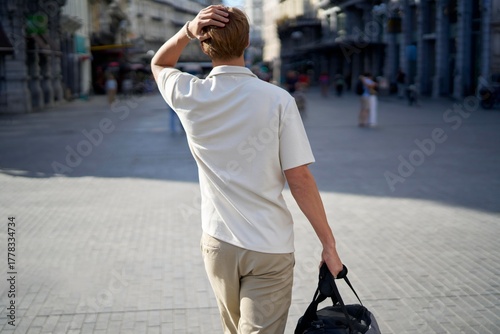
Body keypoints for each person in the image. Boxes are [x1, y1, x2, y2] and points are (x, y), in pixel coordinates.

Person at [151, 5, 343, 334]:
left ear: (203, 43)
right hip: (269, 244)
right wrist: (328, 245)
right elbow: (299, 179)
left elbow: (160, 62)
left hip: (218, 242)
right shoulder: (277, 99)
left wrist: (187, 29)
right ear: (248, 42)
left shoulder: (190, 94)